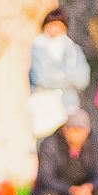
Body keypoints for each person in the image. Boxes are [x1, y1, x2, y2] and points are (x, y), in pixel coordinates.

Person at [27, 9, 89, 140]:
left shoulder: (72, 49)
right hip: (45, 104)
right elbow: (42, 78)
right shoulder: (38, 47)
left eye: (58, 25)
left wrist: (57, 75)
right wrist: (67, 78)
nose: (54, 29)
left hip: (69, 104)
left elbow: (83, 79)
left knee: (68, 141)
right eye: (51, 24)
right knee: (46, 143)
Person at [31, 109, 98, 195]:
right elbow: (47, 178)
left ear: (87, 131)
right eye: (73, 130)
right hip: (59, 190)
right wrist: (71, 190)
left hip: (85, 188)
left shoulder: (96, 143)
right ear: (65, 130)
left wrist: (88, 187)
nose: (77, 135)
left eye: (80, 131)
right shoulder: (50, 145)